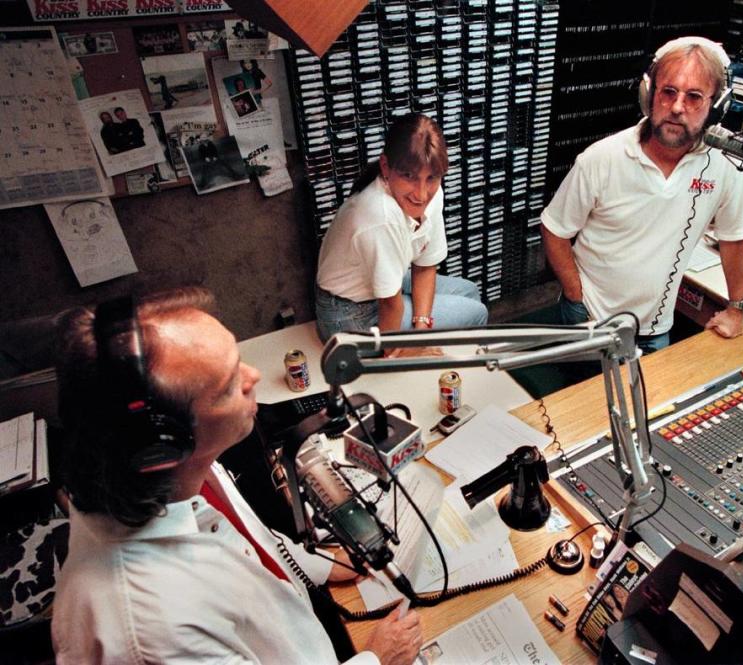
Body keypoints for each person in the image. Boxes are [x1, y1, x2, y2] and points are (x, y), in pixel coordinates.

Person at [51, 287, 423, 664]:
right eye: (229, 385)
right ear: (163, 445)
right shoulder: (156, 636)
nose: (254, 376)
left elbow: (249, 540)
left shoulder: (183, 473)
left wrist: (322, 566)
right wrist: (378, 659)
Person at [540, 36, 743, 354]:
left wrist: (737, 308)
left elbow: (736, 239)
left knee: (650, 403)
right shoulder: (602, 158)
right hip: (589, 318)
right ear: (648, 94)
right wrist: (575, 296)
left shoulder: (726, 163)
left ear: (717, 106)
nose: (678, 107)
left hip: (656, 329)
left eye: (694, 97)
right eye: (668, 92)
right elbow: (555, 230)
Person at [314, 113, 488, 347]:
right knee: (476, 313)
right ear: (386, 167)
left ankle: (432, 360)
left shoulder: (432, 196)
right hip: (347, 312)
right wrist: (403, 347)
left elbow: (425, 266)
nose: (421, 194)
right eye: (409, 176)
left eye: (432, 178)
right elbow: (390, 304)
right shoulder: (380, 214)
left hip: (378, 289)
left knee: (469, 291)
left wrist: (422, 324)